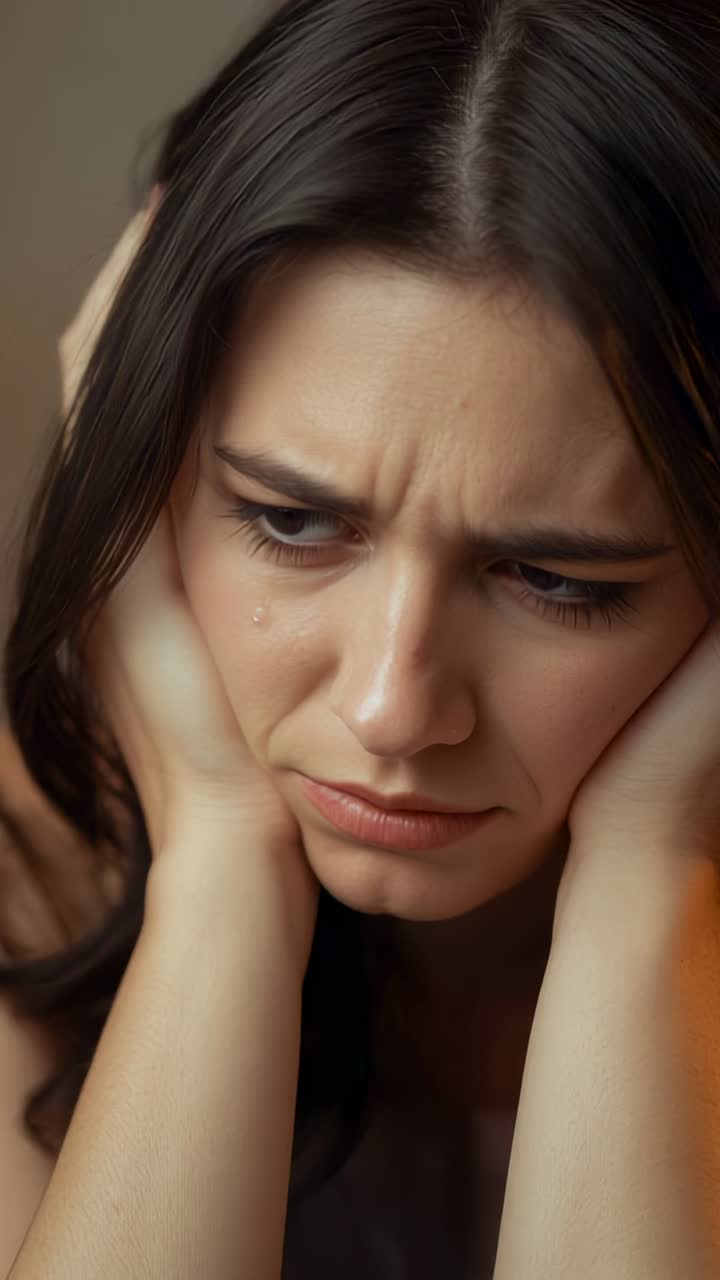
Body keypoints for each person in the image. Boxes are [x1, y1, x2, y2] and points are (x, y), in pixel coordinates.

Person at [1, 0, 720, 1274]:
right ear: (148, 485)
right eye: (289, 518)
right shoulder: (28, 880)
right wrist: (221, 859)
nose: (394, 706)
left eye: (555, 578)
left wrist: (647, 885)